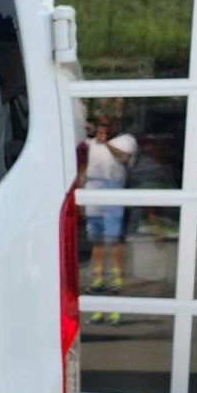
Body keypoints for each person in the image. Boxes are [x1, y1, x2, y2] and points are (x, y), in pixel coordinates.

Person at [81, 113, 138, 298]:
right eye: (100, 125)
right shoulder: (91, 143)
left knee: (114, 238)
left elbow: (124, 157)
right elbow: (83, 165)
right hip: (92, 189)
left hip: (113, 189)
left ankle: (117, 278)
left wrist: (106, 143)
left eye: (106, 124)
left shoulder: (126, 140)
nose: (102, 128)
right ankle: (98, 278)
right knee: (96, 238)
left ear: (116, 124)